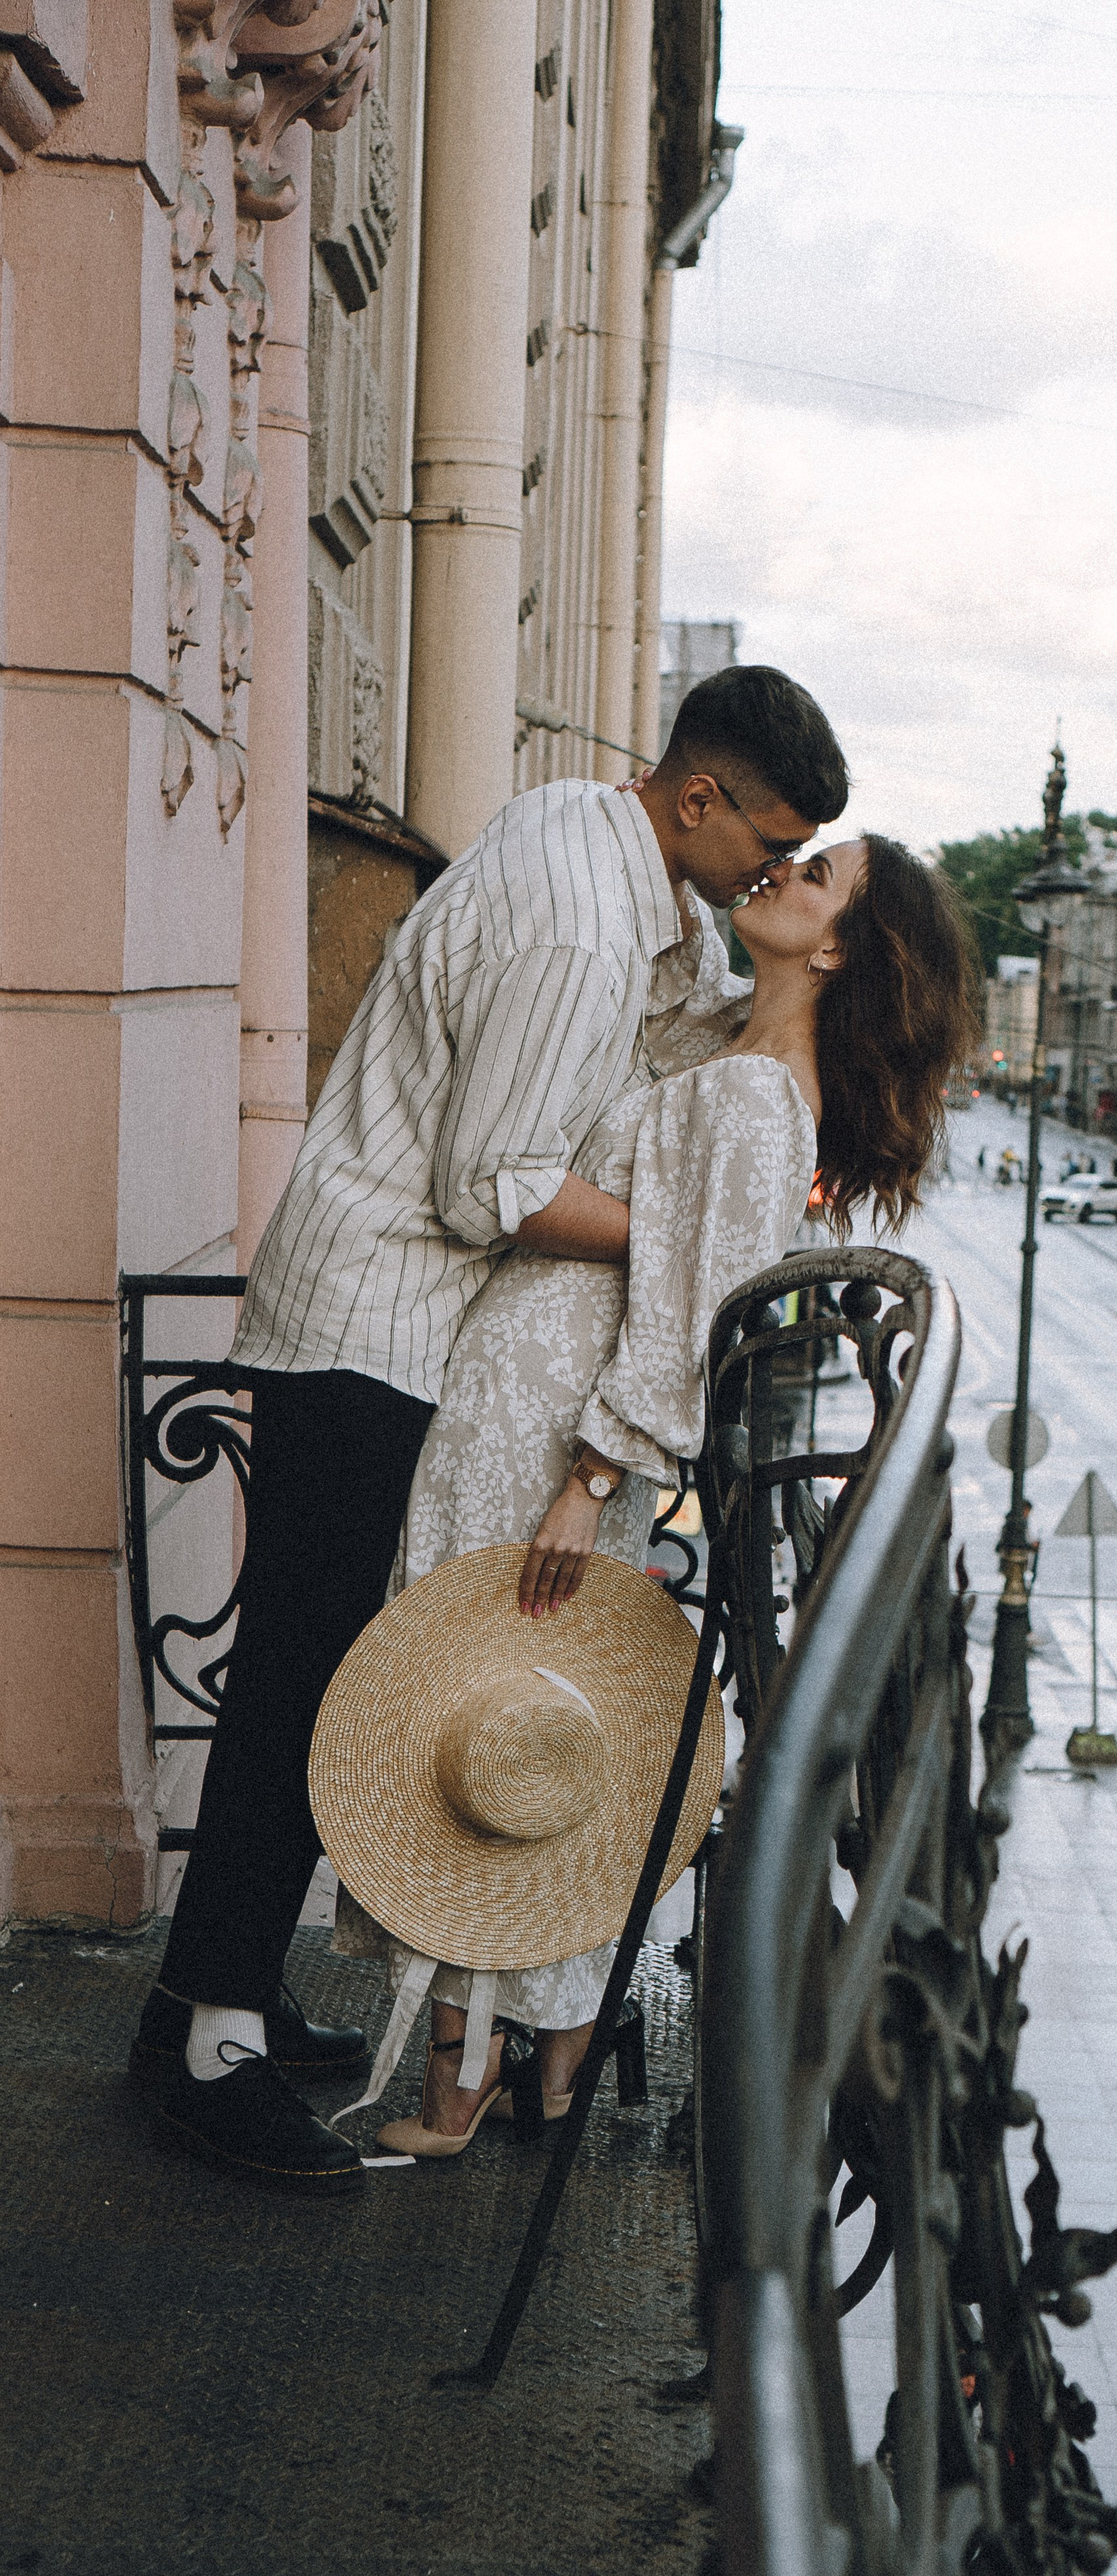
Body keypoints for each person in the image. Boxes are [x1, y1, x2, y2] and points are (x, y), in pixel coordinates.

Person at [128, 663, 853, 2194]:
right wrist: (699, 1234)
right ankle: (209, 2051)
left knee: (309, 1664)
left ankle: (218, 1999)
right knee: (302, 1679)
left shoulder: (602, 851)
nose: (765, 877)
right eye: (764, 843)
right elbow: (500, 1190)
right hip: (371, 1322)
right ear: (699, 796)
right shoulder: (584, 916)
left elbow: (649, 1048)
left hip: (394, 1314)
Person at [335, 835, 980, 2156]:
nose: (780, 874)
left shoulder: (753, 1097)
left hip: (547, 1426)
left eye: (814, 876)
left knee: (488, 1710)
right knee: (488, 1703)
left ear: (838, 944)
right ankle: (540, 2056)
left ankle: (465, 2080)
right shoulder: (728, 1052)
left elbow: (699, 1309)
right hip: (522, 1399)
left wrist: (590, 1476)